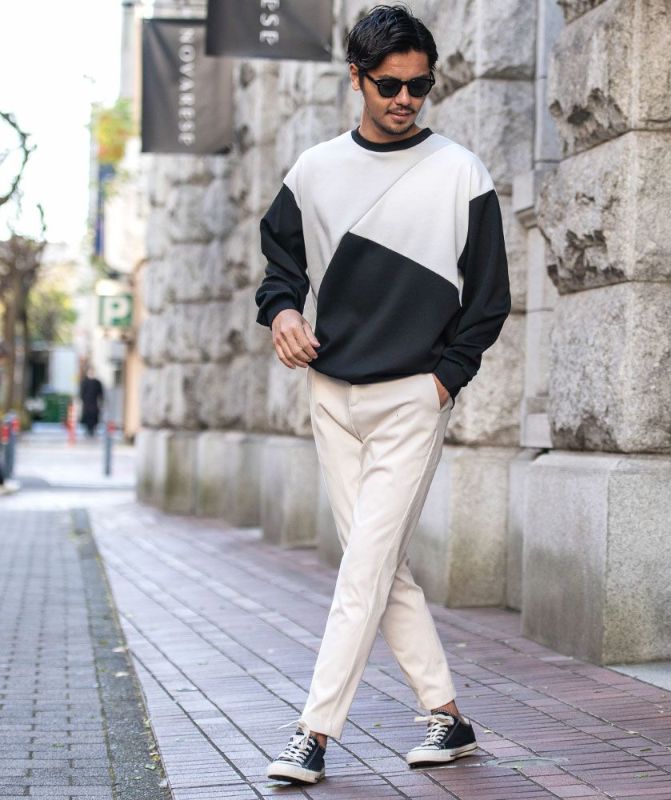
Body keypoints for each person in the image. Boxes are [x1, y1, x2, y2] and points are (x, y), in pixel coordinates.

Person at [255, 4, 510, 785]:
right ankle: (449, 718)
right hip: (331, 397)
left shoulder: (461, 172)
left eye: (420, 86)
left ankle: (312, 733)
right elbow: (279, 268)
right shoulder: (314, 171)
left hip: (412, 399)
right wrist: (284, 313)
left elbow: (489, 299)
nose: (405, 99)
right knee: (380, 568)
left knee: (363, 569)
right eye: (390, 85)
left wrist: (443, 381)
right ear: (357, 78)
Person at [79, 368, 103, 437]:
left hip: (94, 402)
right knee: (87, 416)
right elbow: (81, 392)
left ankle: (92, 430)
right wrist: (81, 400)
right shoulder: (84, 382)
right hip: (86, 402)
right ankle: (88, 429)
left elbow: (100, 393)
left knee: (94, 416)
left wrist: (100, 401)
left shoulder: (97, 382)